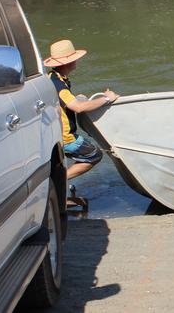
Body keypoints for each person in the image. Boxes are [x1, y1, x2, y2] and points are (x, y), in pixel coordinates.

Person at [44, 39, 119, 206]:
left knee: (74, 160)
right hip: (66, 137)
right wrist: (106, 99)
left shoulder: (53, 77)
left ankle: (59, 191)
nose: (76, 61)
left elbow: (66, 103)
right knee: (93, 155)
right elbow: (77, 108)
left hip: (54, 134)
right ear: (68, 62)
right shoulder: (59, 85)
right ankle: (56, 183)